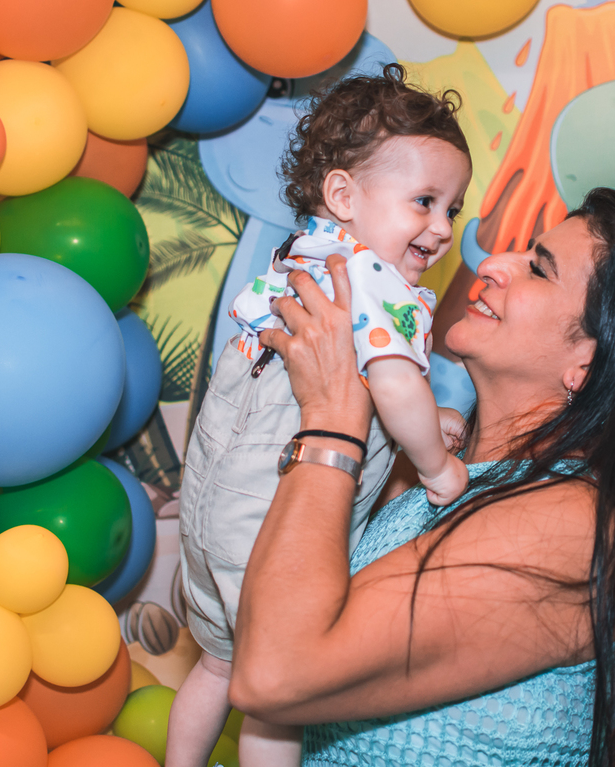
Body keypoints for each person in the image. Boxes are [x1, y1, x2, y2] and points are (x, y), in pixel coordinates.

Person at [230, 187, 615, 767]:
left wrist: (332, 417)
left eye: (538, 270)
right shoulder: (435, 476)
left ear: (588, 362)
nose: (493, 263)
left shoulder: (567, 526)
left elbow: (273, 674)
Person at [167, 65, 473, 767]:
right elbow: (391, 384)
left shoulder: (302, 257)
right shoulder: (372, 279)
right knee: (279, 691)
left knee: (216, 666)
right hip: (268, 514)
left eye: (452, 209)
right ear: (342, 195)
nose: (441, 228)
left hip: (210, 506)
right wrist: (436, 464)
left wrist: (424, 420)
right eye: (424, 201)